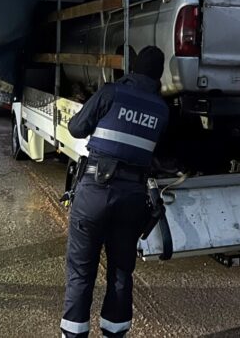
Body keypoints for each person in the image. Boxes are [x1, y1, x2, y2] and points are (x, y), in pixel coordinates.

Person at [61, 46, 170, 338]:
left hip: (94, 192)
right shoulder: (161, 109)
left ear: (132, 68)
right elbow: (162, 154)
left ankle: (73, 334)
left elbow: (76, 128)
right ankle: (115, 333)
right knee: (121, 273)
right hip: (133, 199)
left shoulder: (111, 93)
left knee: (81, 272)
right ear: (159, 75)